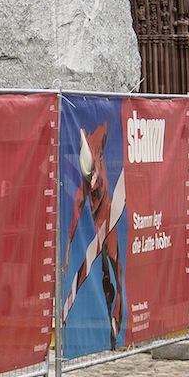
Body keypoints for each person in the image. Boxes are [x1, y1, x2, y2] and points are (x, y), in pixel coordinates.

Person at [63, 122, 126, 347]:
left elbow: (107, 125)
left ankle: (116, 321)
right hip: (102, 228)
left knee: (115, 274)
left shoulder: (97, 140)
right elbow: (73, 221)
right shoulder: (83, 191)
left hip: (109, 226)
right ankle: (112, 324)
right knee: (106, 275)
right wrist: (69, 251)